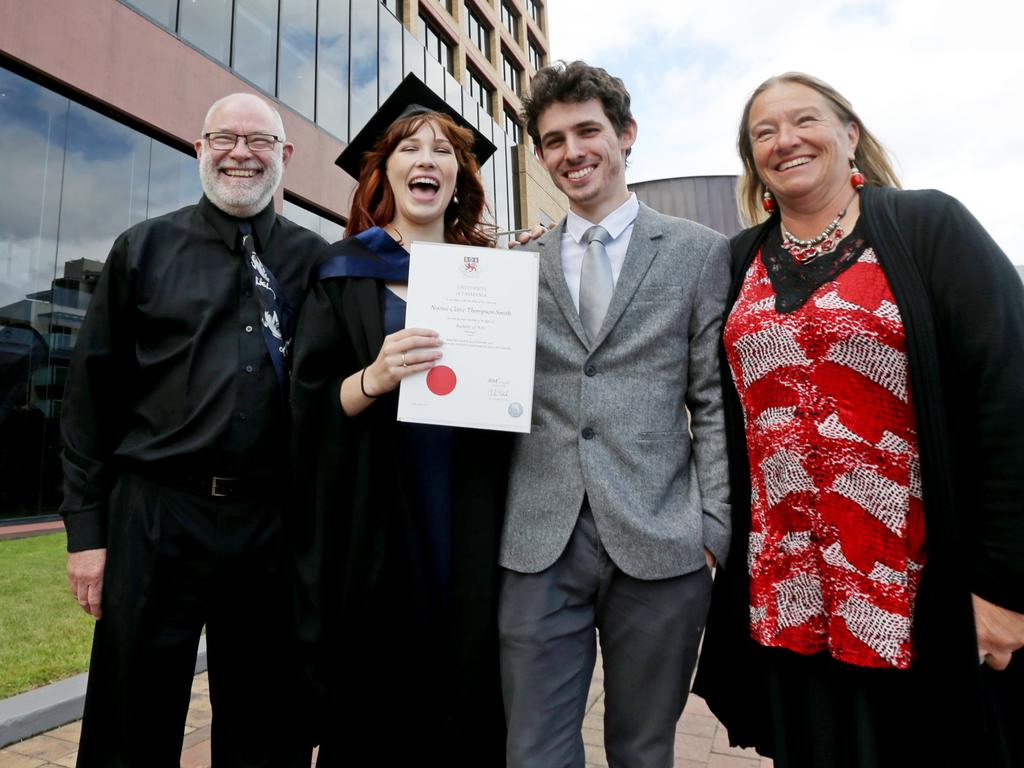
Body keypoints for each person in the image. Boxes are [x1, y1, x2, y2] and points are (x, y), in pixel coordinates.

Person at [692, 72, 1024, 768]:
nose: (786, 140)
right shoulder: (737, 261)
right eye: (764, 133)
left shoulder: (928, 227)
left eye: (804, 120)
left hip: (916, 600)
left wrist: (1003, 590)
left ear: (850, 135)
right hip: (790, 600)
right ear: (753, 161)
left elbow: (1008, 397)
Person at [60, 92, 326, 767]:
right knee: (131, 717)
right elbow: (89, 399)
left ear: (284, 156)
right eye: (225, 138)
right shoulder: (141, 250)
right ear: (199, 148)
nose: (242, 153)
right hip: (155, 512)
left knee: (267, 721)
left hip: (269, 522)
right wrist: (87, 536)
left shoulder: (316, 262)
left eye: (259, 141)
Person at [498, 60, 732, 767]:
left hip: (663, 541)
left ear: (626, 135)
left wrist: (713, 528)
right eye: (553, 139)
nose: (572, 152)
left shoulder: (700, 253)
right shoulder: (515, 265)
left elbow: (714, 402)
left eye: (587, 131)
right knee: (534, 750)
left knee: (641, 748)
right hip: (539, 540)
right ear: (539, 156)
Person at [289, 74, 509, 765]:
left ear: (459, 175)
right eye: (410, 148)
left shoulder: (492, 274)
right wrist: (374, 377)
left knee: (471, 677)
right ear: (382, 170)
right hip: (374, 512)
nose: (427, 160)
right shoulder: (342, 269)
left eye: (444, 151)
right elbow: (307, 404)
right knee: (377, 691)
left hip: (471, 507)